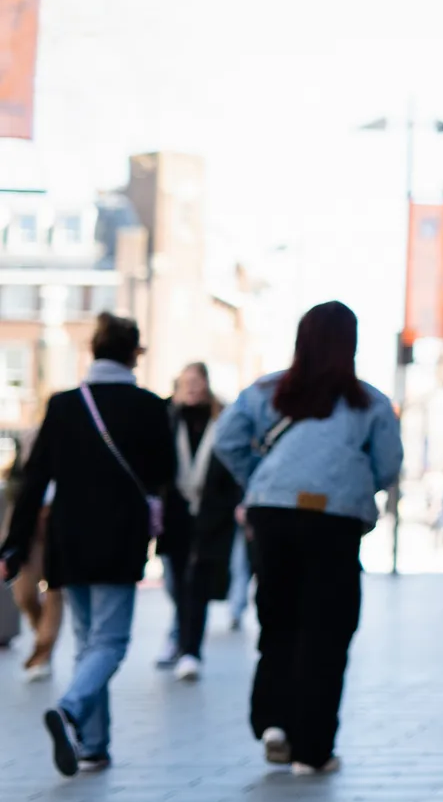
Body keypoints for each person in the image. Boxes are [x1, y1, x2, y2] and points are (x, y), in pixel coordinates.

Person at [214, 301, 402, 777]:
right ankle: (312, 750)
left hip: (272, 514)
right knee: (328, 629)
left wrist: (260, 480)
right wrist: (353, 483)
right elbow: (387, 466)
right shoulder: (370, 403)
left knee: (278, 618)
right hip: (334, 520)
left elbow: (226, 439)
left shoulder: (266, 391)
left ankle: (274, 722)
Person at [0, 313, 174, 777]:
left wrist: (14, 545)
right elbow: (165, 475)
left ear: (92, 350)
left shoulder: (63, 405)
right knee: (110, 641)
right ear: (134, 354)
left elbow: (34, 479)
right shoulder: (150, 406)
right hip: (120, 537)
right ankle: (72, 709)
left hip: (68, 538)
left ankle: (94, 746)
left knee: (86, 641)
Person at [154, 362, 241, 681]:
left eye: (196, 381)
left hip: (211, 513)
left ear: (206, 383)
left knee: (198, 581)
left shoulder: (223, 418)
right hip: (175, 513)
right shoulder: (167, 417)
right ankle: (179, 635)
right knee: (175, 581)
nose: (191, 387)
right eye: (185, 381)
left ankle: (190, 650)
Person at [4, 441, 62, 682]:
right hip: (28, 535)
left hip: (59, 530)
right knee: (24, 594)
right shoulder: (23, 470)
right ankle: (43, 641)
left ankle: (43, 654)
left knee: (54, 593)